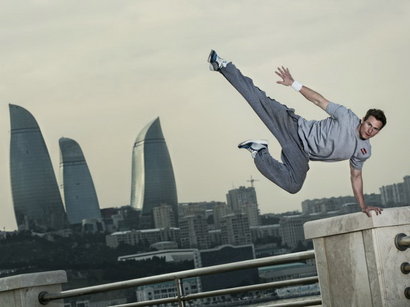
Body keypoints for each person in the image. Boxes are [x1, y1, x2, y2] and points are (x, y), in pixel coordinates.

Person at [207, 50, 386, 217]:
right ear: (363, 120)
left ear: (378, 132)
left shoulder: (363, 151)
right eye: (369, 124)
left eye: (375, 128)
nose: (370, 130)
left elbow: (356, 176)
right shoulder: (346, 116)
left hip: (301, 153)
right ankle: (223, 65)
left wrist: (363, 207)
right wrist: (293, 83)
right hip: (293, 127)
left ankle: (260, 151)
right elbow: (319, 100)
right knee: (258, 100)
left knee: (293, 185)